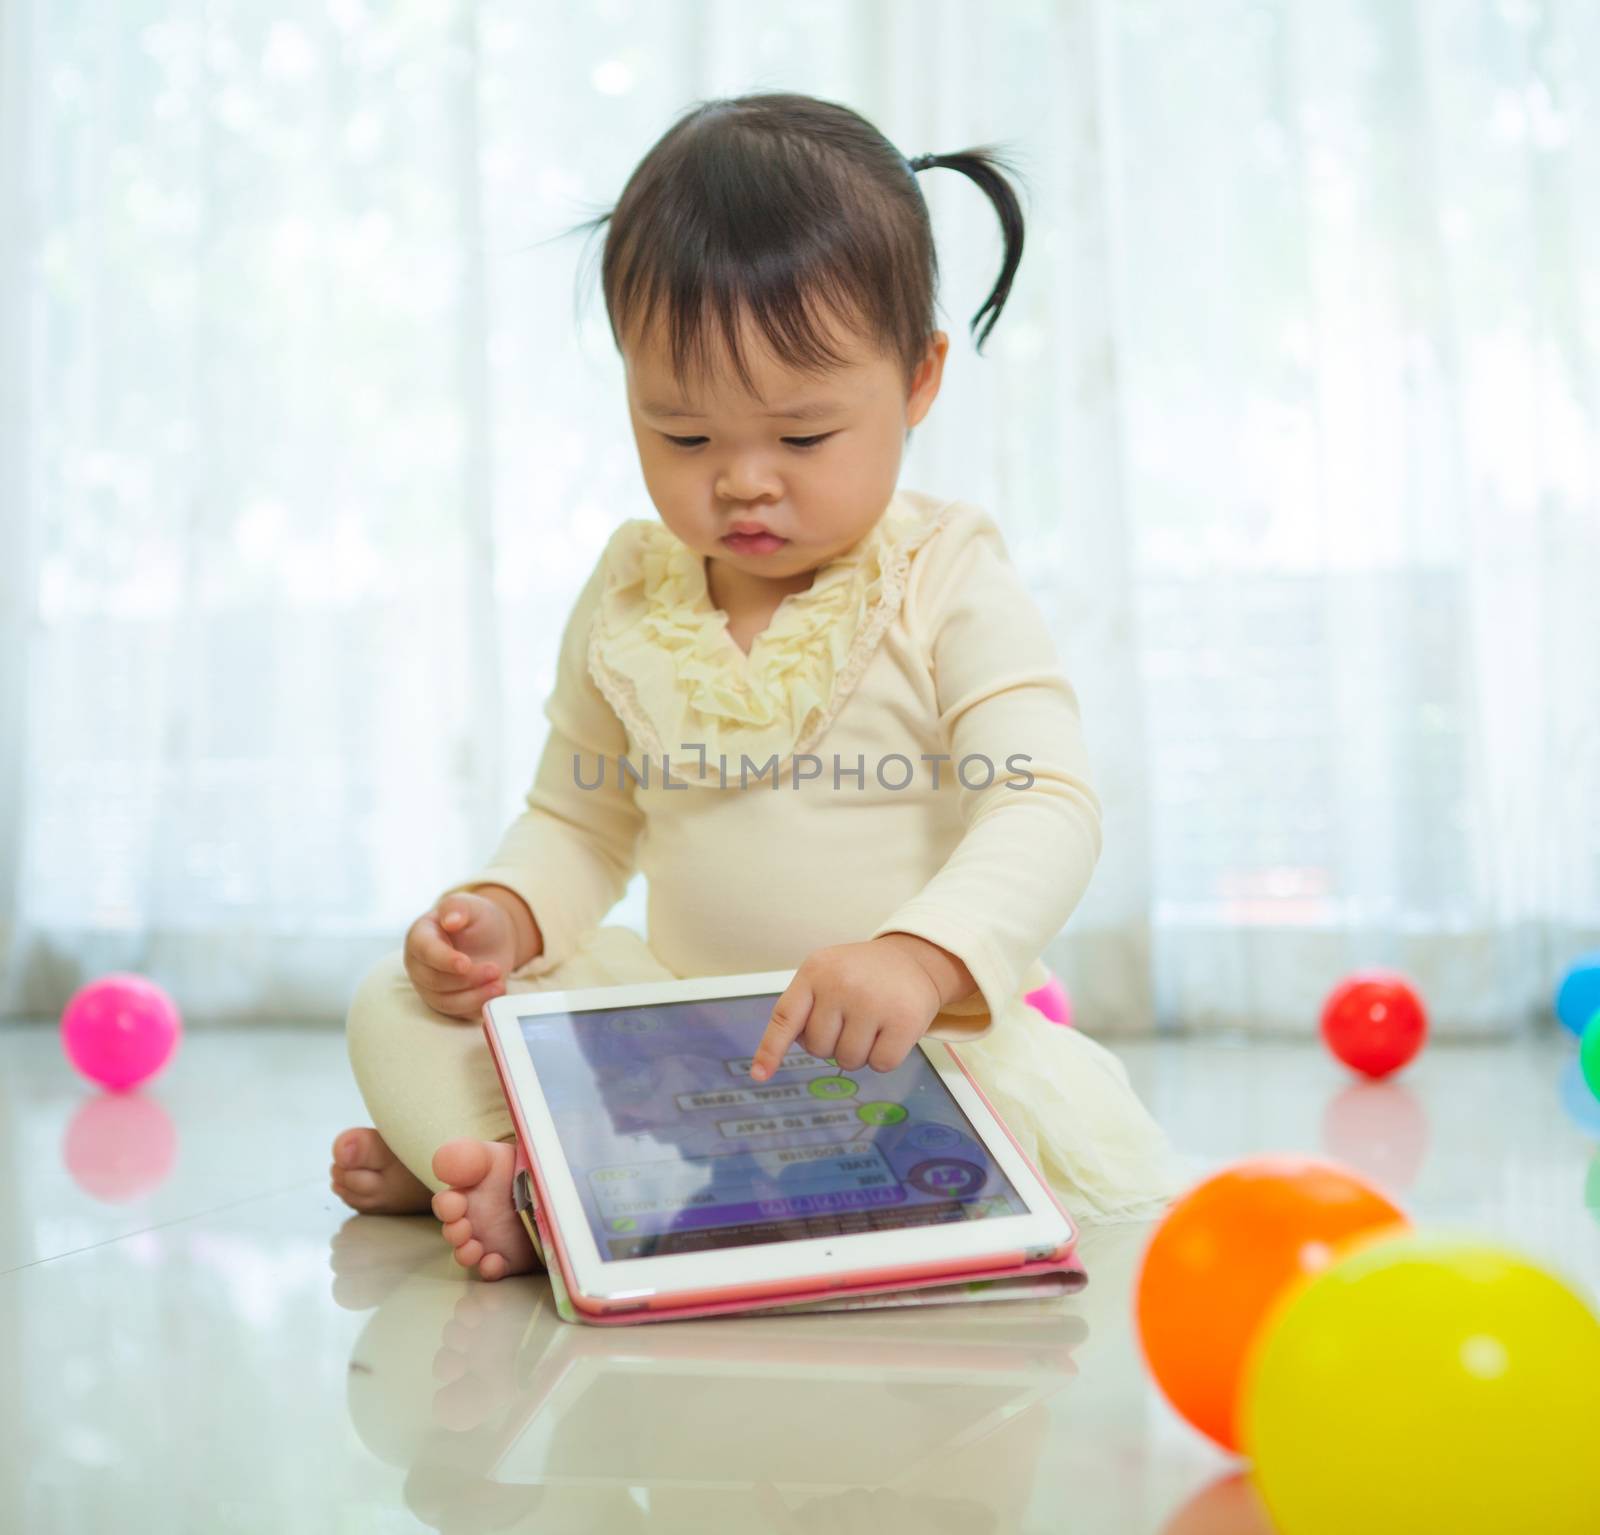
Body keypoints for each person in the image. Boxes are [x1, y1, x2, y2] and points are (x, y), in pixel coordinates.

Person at [332, 90, 1184, 1281]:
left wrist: (920, 954)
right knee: (395, 1000)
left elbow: (1045, 801)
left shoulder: (944, 576)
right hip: (682, 1035)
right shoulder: (633, 592)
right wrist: (505, 915)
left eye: (800, 436)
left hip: (896, 1047)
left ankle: (513, 1176)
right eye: (683, 436)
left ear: (920, 379)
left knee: (930, 1131)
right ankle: (518, 1173)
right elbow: (581, 816)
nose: (742, 484)